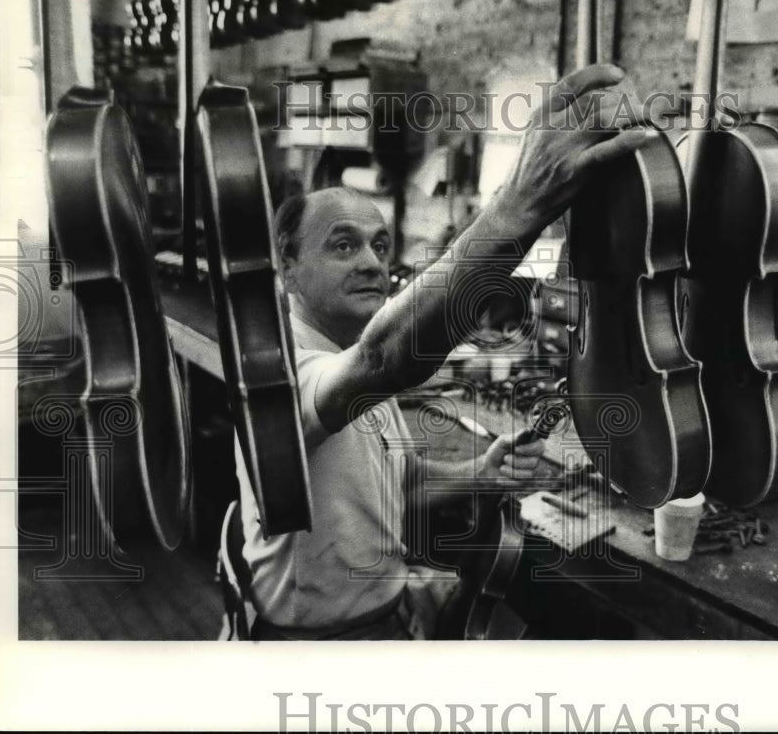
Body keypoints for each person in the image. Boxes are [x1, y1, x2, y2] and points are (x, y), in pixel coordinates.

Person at [235, 64, 657, 640]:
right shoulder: (281, 373)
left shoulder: (354, 364)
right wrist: (518, 204)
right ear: (287, 266)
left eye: (380, 246)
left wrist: (479, 474)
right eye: (342, 245)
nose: (371, 262)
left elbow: (400, 485)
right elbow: (387, 356)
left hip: (386, 618)